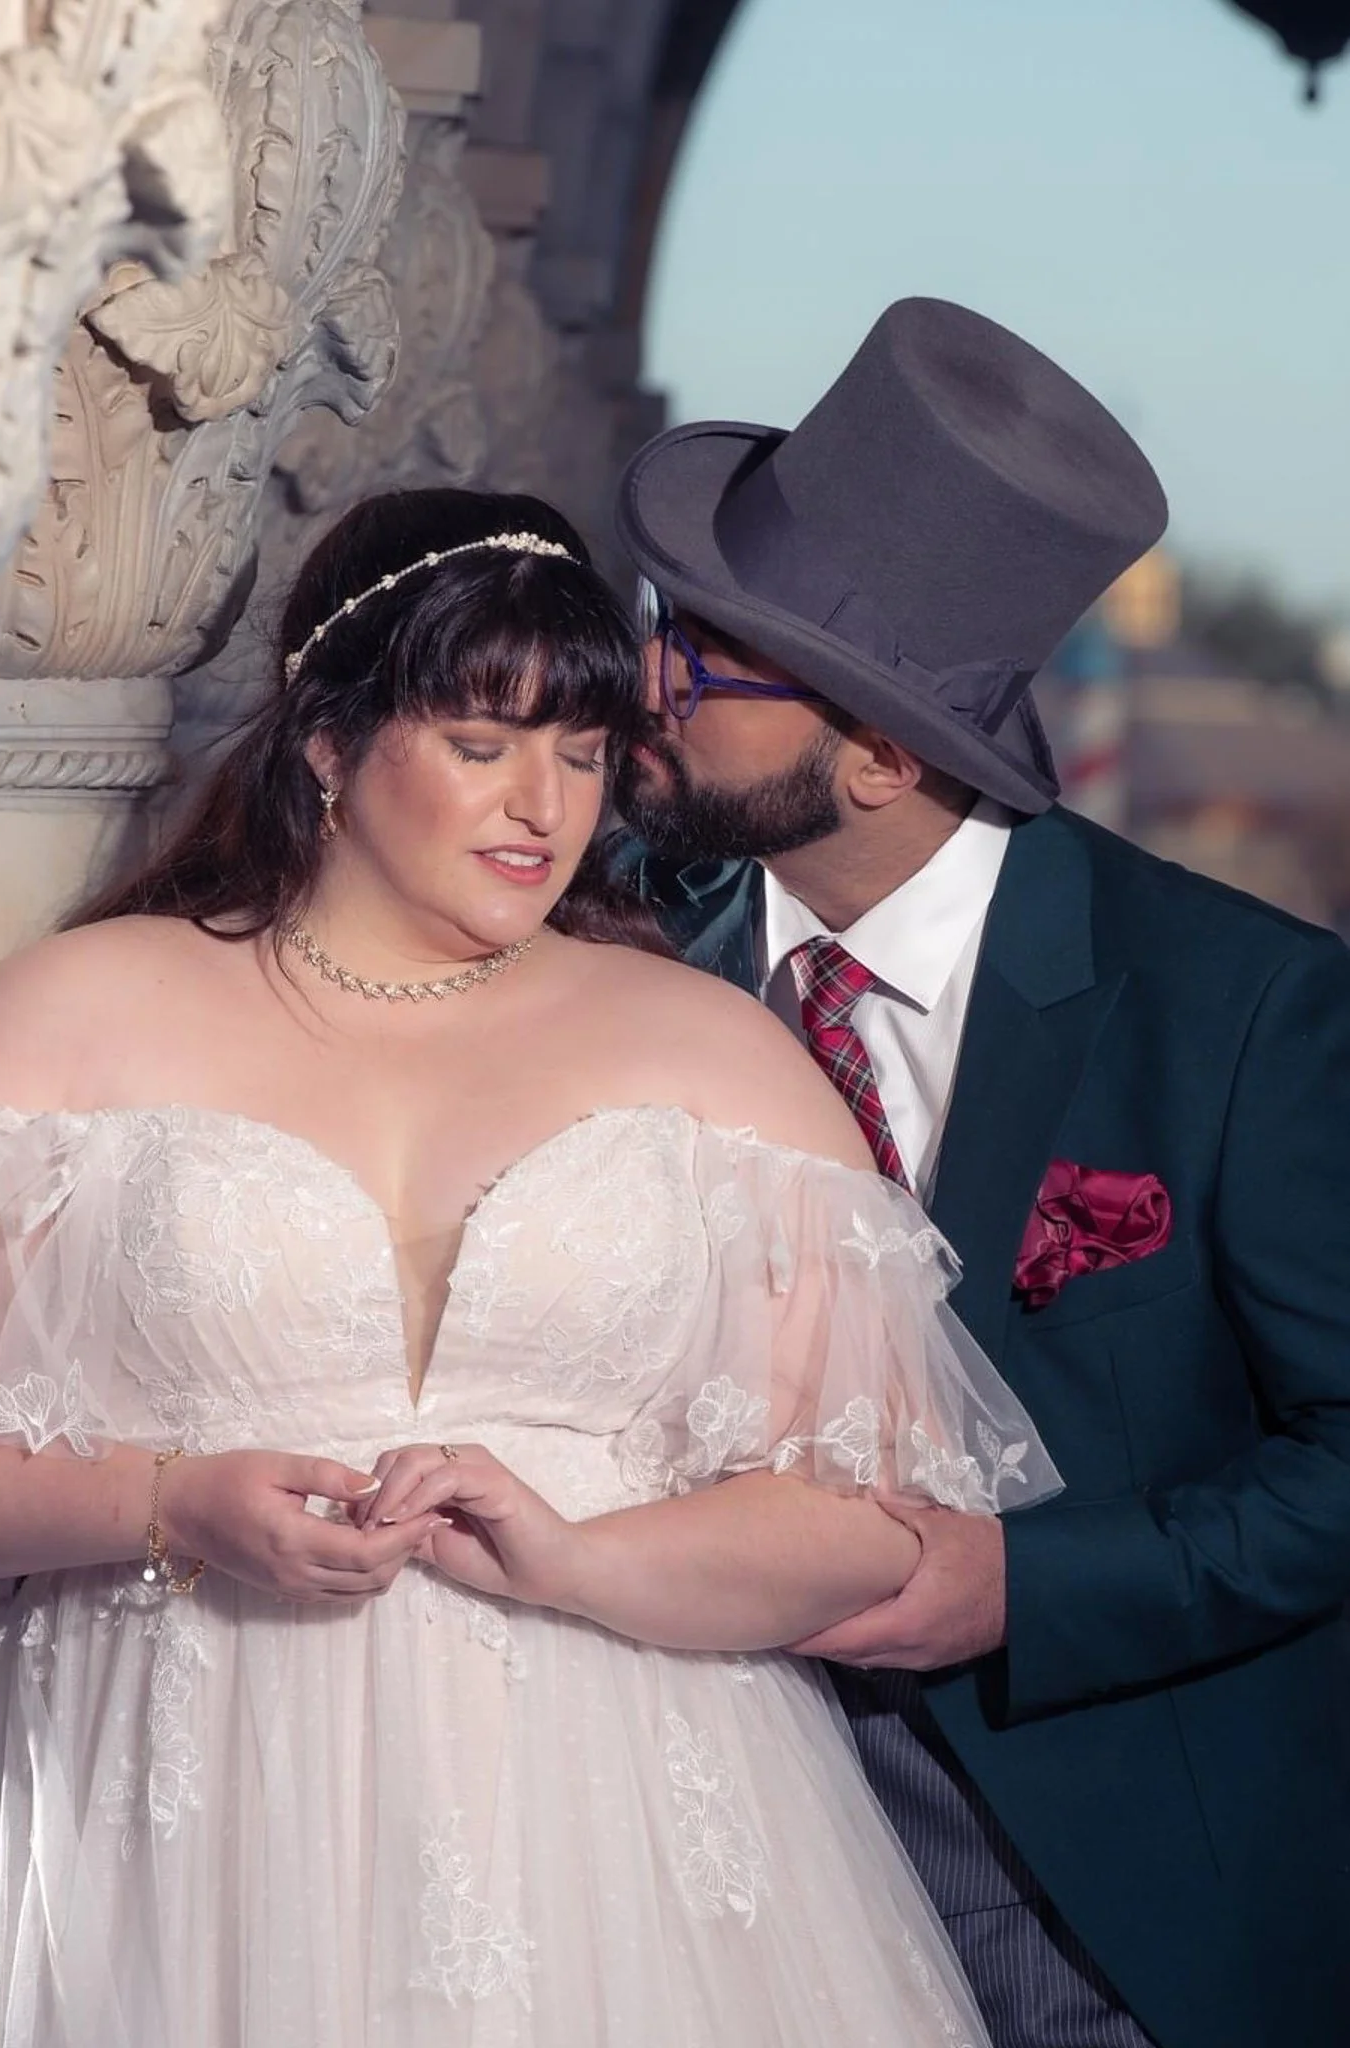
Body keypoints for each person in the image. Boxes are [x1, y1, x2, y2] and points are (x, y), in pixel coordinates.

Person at [0, 486, 1063, 2048]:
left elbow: (871, 1520)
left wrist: (581, 1560)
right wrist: (168, 1504)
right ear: (329, 742)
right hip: (173, 1811)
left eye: (581, 752)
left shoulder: (712, 1049)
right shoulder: (73, 1015)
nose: (542, 807)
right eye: (482, 744)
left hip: (625, 1830)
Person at [610, 295, 1350, 2048]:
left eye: (711, 659)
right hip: (687, 1866)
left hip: (1107, 1907)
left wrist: (1029, 1586)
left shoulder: (1243, 1010)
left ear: (881, 754)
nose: (648, 686)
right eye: (664, 626)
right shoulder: (621, 973)